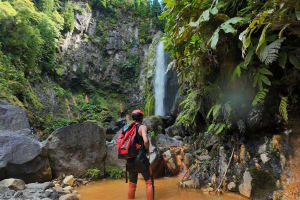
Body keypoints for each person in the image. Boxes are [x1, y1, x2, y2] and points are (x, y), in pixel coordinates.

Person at [127, 109, 154, 200]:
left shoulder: (129, 128)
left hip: (130, 159)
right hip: (140, 158)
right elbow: (146, 141)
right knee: (149, 182)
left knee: (132, 184)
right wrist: (147, 150)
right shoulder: (142, 127)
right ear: (141, 117)